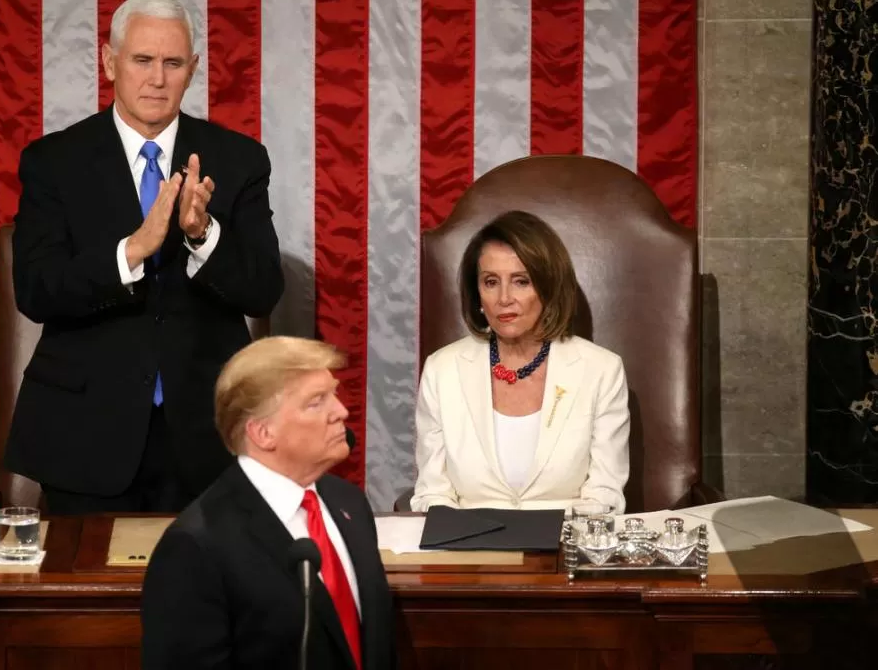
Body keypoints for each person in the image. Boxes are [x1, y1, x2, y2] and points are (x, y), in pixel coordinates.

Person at [4, 0, 284, 514]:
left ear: (193, 69)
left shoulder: (239, 159)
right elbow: (37, 289)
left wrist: (203, 236)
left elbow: (264, 289)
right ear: (110, 63)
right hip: (85, 436)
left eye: (173, 63)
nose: (158, 78)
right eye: (142, 60)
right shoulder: (53, 161)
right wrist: (131, 251)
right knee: (83, 596)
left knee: (209, 594)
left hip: (208, 439)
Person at [141, 337, 396, 670]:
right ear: (263, 433)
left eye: (333, 394)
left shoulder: (348, 504)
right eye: (316, 402)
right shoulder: (194, 547)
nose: (342, 411)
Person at [411, 210, 630, 512]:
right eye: (490, 282)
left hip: (563, 548)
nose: (504, 298)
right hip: (469, 550)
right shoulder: (442, 370)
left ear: (548, 286)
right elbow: (432, 494)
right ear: (477, 294)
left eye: (521, 281)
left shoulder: (602, 371)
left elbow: (604, 496)